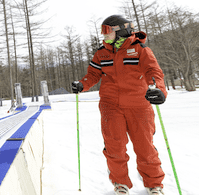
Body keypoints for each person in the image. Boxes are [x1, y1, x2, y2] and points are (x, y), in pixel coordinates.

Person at [71, 15, 167, 195]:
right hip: (111, 106)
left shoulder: (140, 49)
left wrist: (159, 89)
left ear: (120, 31)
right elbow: (93, 74)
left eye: (107, 31)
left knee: (145, 147)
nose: (103, 35)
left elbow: (153, 71)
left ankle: (154, 184)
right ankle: (120, 183)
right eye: (102, 31)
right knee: (114, 147)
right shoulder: (102, 52)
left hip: (139, 105)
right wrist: (82, 84)